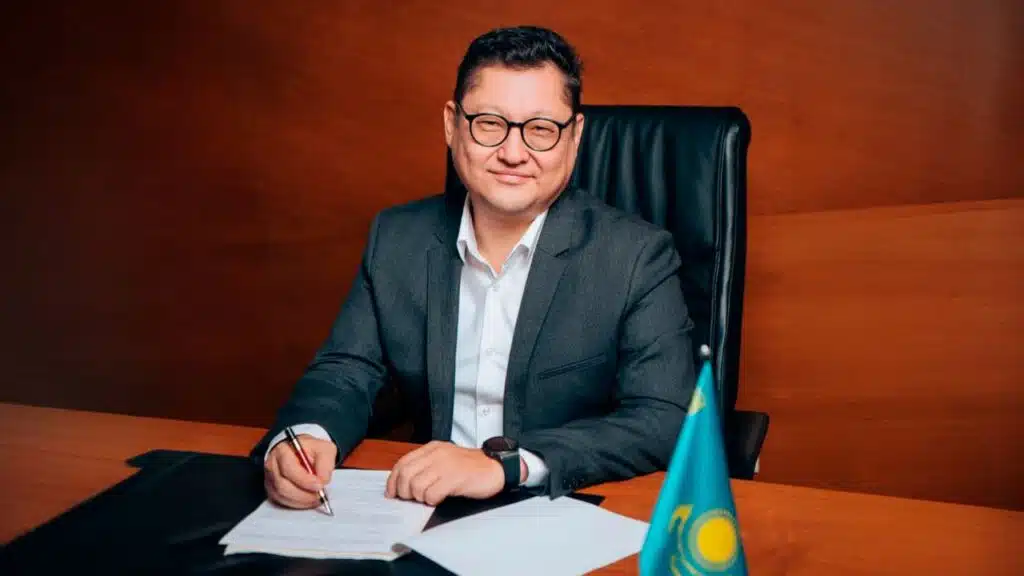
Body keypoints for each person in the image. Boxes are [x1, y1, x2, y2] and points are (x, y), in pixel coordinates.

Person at [253, 25, 697, 509]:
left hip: (559, 507)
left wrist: (507, 465)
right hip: (423, 506)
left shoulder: (635, 256)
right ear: (452, 124)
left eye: (541, 129)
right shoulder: (397, 238)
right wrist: (307, 436)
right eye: (489, 123)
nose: (513, 153)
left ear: (575, 137)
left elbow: (663, 418)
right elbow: (346, 370)